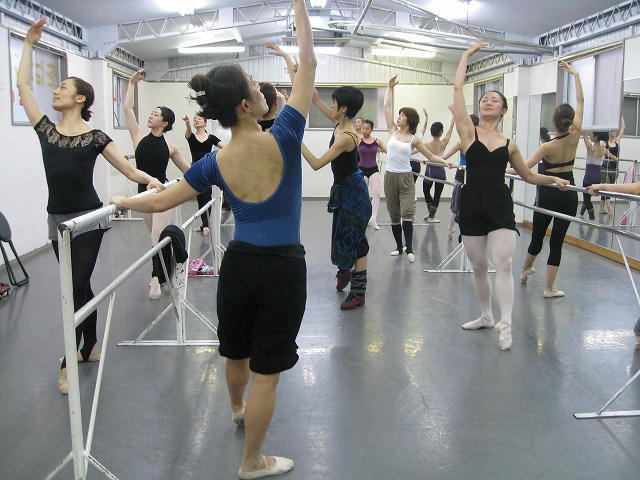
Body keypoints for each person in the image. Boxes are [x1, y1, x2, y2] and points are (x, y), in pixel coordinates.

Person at [111, 1, 316, 476]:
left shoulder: (213, 162)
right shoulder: (286, 134)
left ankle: (237, 410)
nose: (264, 92)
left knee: (236, 351)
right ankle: (252, 461)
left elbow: (161, 201)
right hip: (283, 268)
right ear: (245, 105)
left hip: (239, 265)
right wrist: (299, 7)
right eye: (256, 88)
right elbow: (309, 63)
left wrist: (123, 201)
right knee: (268, 372)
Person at [17, 19, 164, 394]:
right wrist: (29, 44)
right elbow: (23, 86)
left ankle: (69, 359)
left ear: (80, 98)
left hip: (88, 219)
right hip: (57, 219)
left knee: (75, 286)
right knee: (78, 288)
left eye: (64, 87)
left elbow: (127, 168)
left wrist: (151, 180)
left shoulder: (96, 136)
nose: (56, 90)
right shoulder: (46, 130)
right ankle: (91, 346)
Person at [450, 40, 569, 351]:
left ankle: (505, 326)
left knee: (502, 264)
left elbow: (527, 175)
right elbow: (457, 89)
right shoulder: (468, 132)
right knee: (478, 266)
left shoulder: (509, 144)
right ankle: (486, 315)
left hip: (500, 205)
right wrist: (465, 55)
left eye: (494, 99)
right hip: (472, 203)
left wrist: (553, 178)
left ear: (504, 109)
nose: (487, 101)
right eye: (484, 99)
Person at [508, 62, 584, 298]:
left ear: (554, 121)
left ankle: (524, 270)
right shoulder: (575, 136)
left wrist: (502, 169)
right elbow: (581, 102)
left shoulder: (546, 147)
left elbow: (523, 169)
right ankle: (549, 288)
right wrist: (576, 75)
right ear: (571, 121)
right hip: (569, 192)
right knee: (557, 241)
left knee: (538, 235)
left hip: (549, 193)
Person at [124, 69, 191, 300]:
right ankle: (164, 271)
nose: (151, 116)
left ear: (165, 122)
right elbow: (128, 109)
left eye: (156, 114)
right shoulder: (138, 137)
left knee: (156, 237)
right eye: (151, 113)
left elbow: (188, 170)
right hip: (143, 195)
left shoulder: (171, 147)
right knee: (157, 240)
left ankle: (155, 278)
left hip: (162, 193)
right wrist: (132, 83)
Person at [302, 86, 371, 309]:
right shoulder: (339, 122)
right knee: (342, 234)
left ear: (344, 108)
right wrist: (300, 74)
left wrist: (297, 140)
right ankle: (344, 271)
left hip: (354, 193)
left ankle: (358, 293)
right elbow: (315, 99)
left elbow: (316, 164)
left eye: (334, 103)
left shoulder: (347, 137)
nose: (330, 105)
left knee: (358, 241)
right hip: (343, 189)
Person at [383, 74, 451, 263]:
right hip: (390, 176)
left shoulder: (415, 139)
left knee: (407, 213)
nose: (398, 118)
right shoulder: (392, 131)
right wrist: (389, 87)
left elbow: (430, 156)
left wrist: (444, 162)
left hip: (406, 177)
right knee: (394, 213)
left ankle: (410, 249)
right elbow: (386, 107)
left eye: (402, 116)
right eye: (399, 115)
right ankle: (399, 247)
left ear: (410, 120)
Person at [182, 114, 225, 236]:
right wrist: (187, 123)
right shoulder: (191, 136)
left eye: (199, 119)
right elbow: (188, 131)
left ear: (205, 123)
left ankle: (206, 225)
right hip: (195, 169)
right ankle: (204, 224)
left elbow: (224, 147)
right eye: (194, 119)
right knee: (200, 198)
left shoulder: (211, 137)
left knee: (207, 196)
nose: (196, 120)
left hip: (207, 170)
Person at [441, 113, 480, 239]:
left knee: (460, 203)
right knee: (458, 203)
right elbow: (444, 157)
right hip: (465, 173)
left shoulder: (470, 142)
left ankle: (454, 229)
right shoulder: (466, 142)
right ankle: (452, 229)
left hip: (469, 174)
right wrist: (431, 159)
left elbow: (444, 157)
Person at [423, 114, 455, 223]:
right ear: (441, 132)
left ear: (431, 132)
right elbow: (450, 130)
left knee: (426, 191)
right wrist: (453, 116)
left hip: (429, 171)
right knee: (437, 195)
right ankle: (431, 215)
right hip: (440, 172)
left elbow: (413, 151)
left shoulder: (427, 145)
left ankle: (431, 214)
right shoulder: (443, 143)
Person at [358, 119, 387, 230]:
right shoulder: (358, 140)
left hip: (373, 169)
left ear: (371, 129)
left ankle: (373, 219)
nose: (364, 130)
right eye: (363, 128)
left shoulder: (377, 141)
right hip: (362, 170)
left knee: (377, 193)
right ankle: (362, 217)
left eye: (367, 129)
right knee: (362, 195)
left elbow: (389, 151)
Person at [580, 131, 616, 220]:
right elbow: (615, 158)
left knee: (586, 197)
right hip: (597, 176)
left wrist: (584, 129)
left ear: (595, 137)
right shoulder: (604, 150)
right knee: (587, 196)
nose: (590, 136)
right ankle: (581, 213)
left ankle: (591, 214)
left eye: (591, 135)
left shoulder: (590, 147)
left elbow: (584, 135)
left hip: (588, 176)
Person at [601, 118, 625, 214]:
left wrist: (620, 115)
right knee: (607, 187)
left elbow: (622, 128)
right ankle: (609, 208)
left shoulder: (617, 141)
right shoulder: (604, 143)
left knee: (608, 188)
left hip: (614, 169)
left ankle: (601, 208)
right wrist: (613, 157)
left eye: (615, 130)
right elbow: (605, 152)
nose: (615, 132)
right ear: (609, 132)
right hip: (605, 168)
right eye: (613, 130)